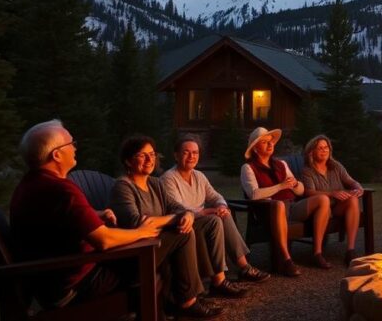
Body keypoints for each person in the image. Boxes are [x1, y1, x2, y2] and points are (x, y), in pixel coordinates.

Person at [10, 120, 162, 309]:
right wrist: (141, 231)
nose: (75, 148)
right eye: (71, 143)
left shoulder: (32, 183)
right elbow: (104, 240)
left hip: (50, 280)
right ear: (56, 155)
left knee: (143, 263)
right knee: (150, 267)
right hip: (73, 284)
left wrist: (94, 215)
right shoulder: (61, 190)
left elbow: (56, 221)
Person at [110, 135, 239, 318]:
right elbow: (137, 222)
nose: (149, 160)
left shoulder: (154, 183)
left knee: (209, 222)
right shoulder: (123, 187)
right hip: (139, 248)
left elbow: (177, 208)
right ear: (128, 161)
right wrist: (174, 218)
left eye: (152, 154)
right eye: (142, 155)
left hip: (160, 239)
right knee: (184, 233)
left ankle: (212, 283)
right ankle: (188, 302)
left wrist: (186, 214)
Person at [161, 135, 270, 283]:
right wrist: (207, 211)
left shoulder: (199, 176)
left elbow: (215, 196)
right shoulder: (168, 178)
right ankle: (221, 277)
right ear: (176, 155)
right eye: (186, 152)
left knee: (224, 214)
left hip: (203, 220)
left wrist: (221, 206)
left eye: (195, 152)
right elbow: (178, 209)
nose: (191, 156)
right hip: (184, 224)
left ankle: (244, 267)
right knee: (215, 219)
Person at [240, 127, 332, 275]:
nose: (270, 144)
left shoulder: (281, 164)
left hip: (291, 207)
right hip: (268, 212)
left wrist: (295, 184)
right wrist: (280, 186)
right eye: (264, 142)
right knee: (279, 205)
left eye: (271, 141)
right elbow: (254, 194)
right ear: (255, 148)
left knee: (323, 199)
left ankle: (317, 253)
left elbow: (300, 191)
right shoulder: (248, 168)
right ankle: (286, 260)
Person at [300, 134, 364, 265]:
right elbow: (308, 192)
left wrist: (358, 187)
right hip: (319, 209)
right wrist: (332, 194)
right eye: (320, 148)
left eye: (326, 147)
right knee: (323, 199)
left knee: (353, 200)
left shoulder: (336, 166)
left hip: (336, 208)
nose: (324, 150)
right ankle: (317, 254)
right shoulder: (308, 171)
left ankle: (350, 250)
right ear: (312, 152)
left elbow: (351, 181)